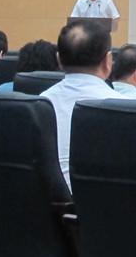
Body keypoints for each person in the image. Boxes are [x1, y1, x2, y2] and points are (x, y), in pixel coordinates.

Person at [41, 22, 121, 188]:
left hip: (48, 201)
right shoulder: (125, 107)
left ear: (59, 60)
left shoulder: (40, 103)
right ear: (108, 61)